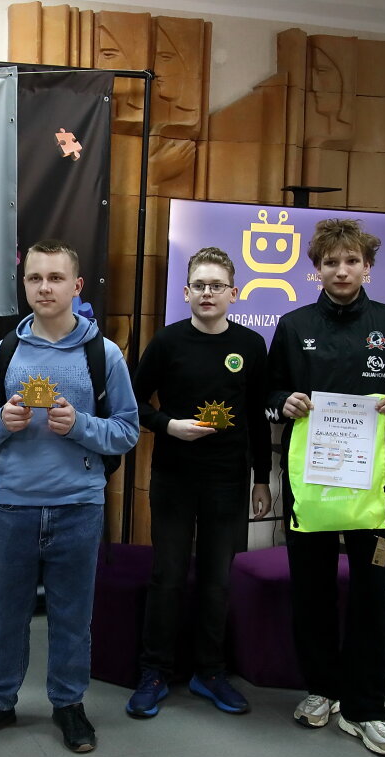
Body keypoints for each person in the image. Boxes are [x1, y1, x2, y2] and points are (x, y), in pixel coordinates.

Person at [0, 240, 139, 753]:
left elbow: (127, 431)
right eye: (35, 278)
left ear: (77, 286)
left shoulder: (104, 354)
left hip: (79, 506)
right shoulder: (3, 352)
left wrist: (80, 425)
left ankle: (69, 704)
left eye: (56, 278)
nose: (44, 287)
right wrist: (3, 421)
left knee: (72, 618)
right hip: (12, 505)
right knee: (6, 617)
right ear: (24, 284)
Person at [266, 218, 385, 757]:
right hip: (309, 492)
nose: (341, 270)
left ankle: (367, 710)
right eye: (331, 262)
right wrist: (283, 403)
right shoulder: (293, 326)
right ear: (316, 269)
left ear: (367, 267)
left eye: (352, 261)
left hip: (371, 494)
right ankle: (322, 689)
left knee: (372, 598)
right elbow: (269, 395)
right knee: (311, 593)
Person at [126, 246, 271, 720]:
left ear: (234, 293)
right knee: (167, 576)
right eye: (200, 285)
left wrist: (262, 478)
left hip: (228, 480)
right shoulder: (167, 342)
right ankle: (154, 671)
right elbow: (132, 402)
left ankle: (210, 672)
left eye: (217, 286)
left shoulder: (251, 345)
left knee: (217, 580)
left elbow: (257, 418)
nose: (208, 293)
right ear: (186, 292)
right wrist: (168, 425)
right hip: (173, 477)